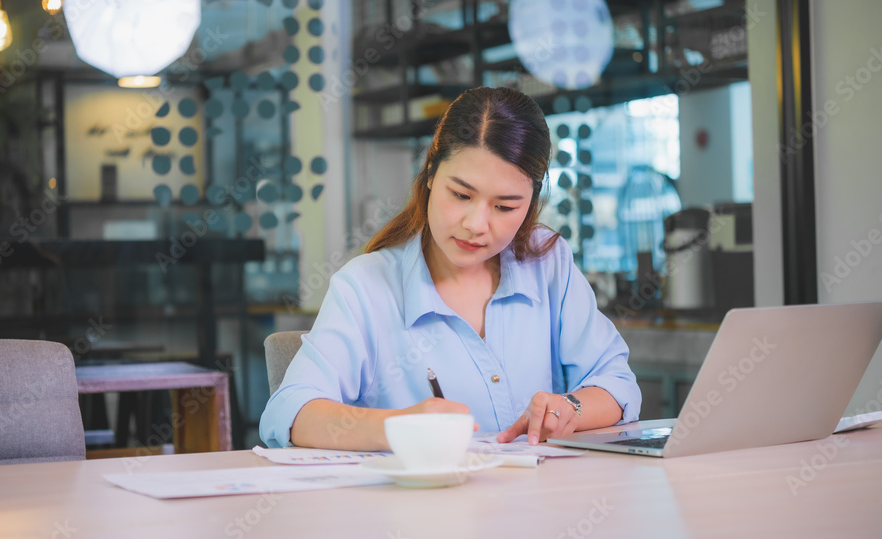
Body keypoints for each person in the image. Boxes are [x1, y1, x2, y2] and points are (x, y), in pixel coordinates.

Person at [260, 86, 641, 450]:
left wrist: (570, 407)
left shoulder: (547, 263)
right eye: (461, 194)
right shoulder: (366, 286)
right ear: (429, 175)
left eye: (505, 207)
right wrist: (396, 426)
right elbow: (288, 411)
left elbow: (618, 385)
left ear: (530, 203)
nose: (476, 224)